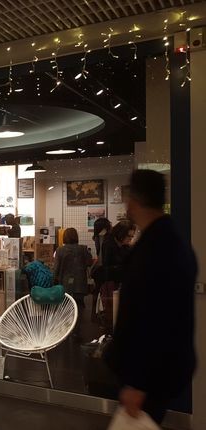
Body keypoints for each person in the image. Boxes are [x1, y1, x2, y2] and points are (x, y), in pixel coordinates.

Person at [104, 170, 197, 424]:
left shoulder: (157, 250)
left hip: (149, 377)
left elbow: (155, 321)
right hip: (158, 371)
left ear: (134, 201)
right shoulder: (169, 241)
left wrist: (137, 382)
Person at [53, 227, 92, 336]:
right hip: (80, 282)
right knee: (78, 306)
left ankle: (67, 329)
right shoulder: (83, 249)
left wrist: (53, 281)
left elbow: (56, 268)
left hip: (65, 283)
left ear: (64, 237)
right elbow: (89, 262)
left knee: (66, 306)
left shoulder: (60, 250)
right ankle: (76, 329)